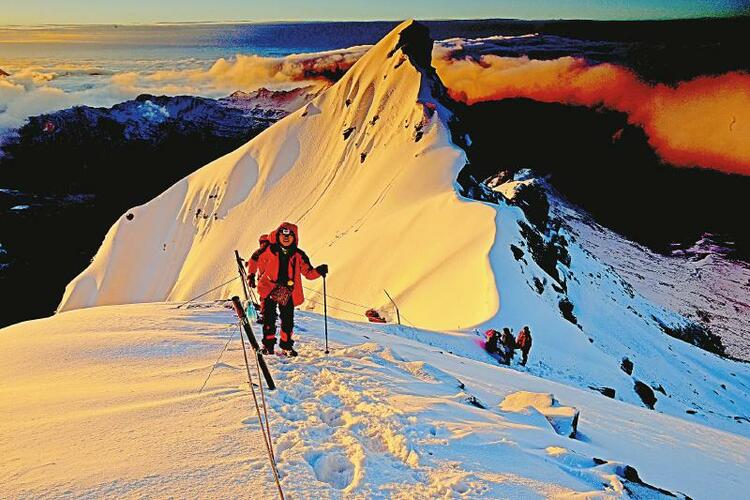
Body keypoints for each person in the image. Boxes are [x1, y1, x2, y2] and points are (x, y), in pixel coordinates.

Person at [246, 222, 328, 356]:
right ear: (277, 236)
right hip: (269, 289)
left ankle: (286, 346)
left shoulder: (299, 255)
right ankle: (268, 346)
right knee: (268, 319)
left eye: (289, 235)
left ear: (294, 237)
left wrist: (318, 271)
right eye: (283, 235)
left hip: (288, 292)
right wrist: (251, 274)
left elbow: (308, 273)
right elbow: (254, 259)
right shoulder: (269, 249)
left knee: (288, 321)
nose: (286, 238)